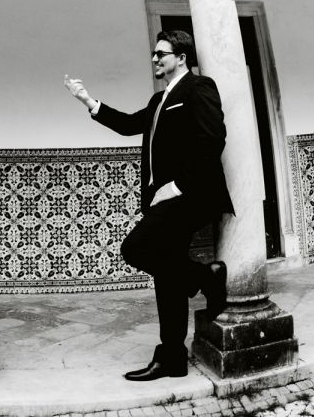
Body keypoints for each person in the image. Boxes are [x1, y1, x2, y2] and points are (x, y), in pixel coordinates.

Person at [63, 29, 231, 382]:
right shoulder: (159, 100)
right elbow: (128, 125)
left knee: (135, 248)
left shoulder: (199, 88)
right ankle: (171, 357)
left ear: (181, 57)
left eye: (161, 53)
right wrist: (88, 101)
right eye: (154, 54)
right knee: (167, 276)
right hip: (162, 199)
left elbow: (212, 138)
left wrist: (176, 186)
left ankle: (206, 277)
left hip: (189, 195)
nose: (154, 59)